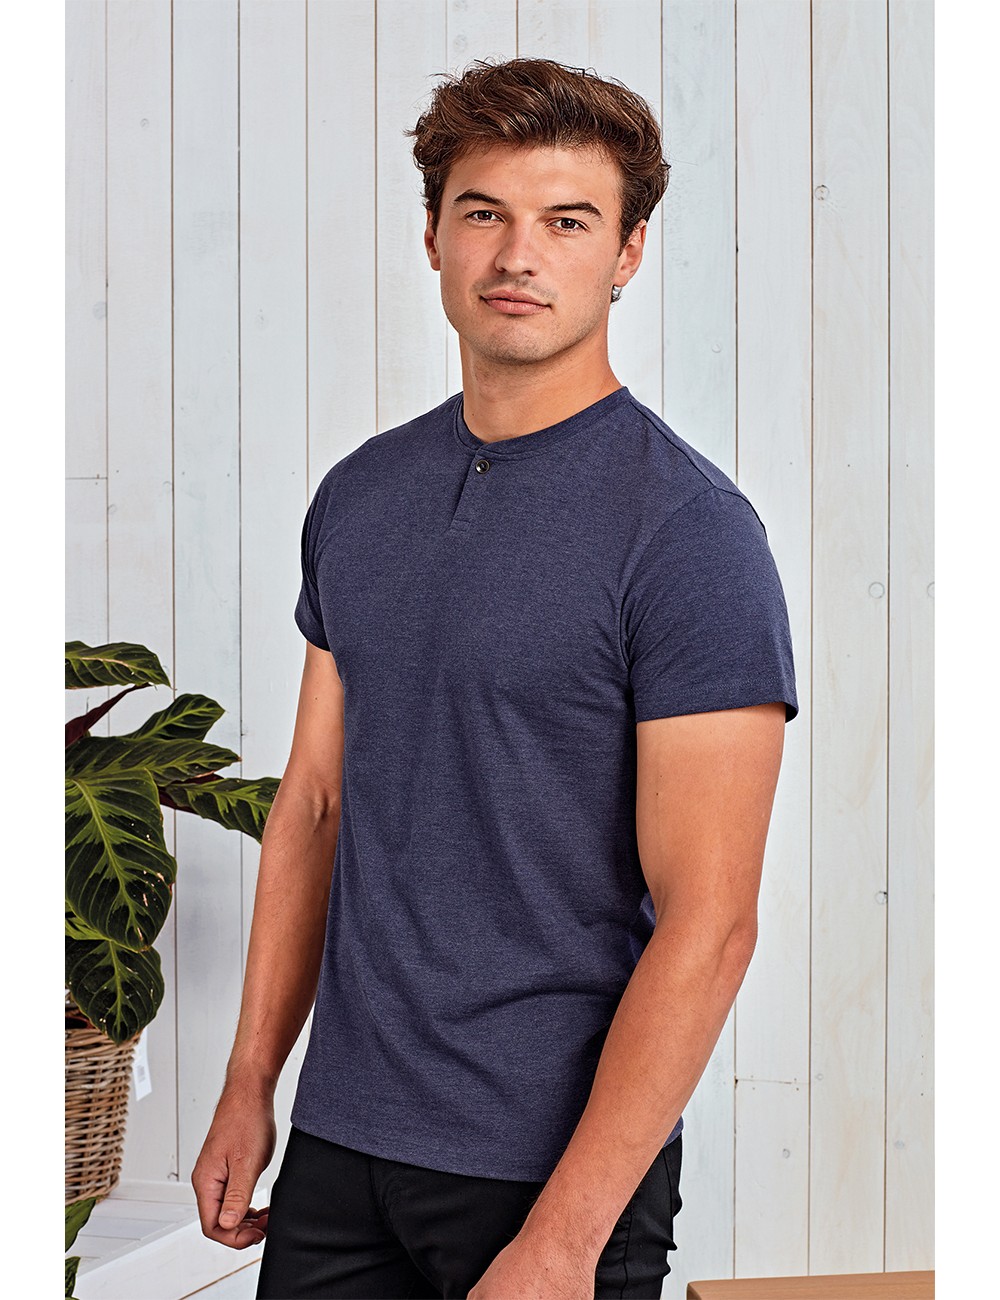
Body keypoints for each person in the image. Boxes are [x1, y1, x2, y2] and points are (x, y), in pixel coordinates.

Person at [192, 57, 798, 1300]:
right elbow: (313, 802)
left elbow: (711, 921)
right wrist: (251, 1078)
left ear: (627, 252)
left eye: (568, 221)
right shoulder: (361, 495)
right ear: (433, 236)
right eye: (484, 213)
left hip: (550, 1174)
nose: (518, 254)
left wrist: (564, 1240)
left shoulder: (689, 534)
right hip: (340, 1145)